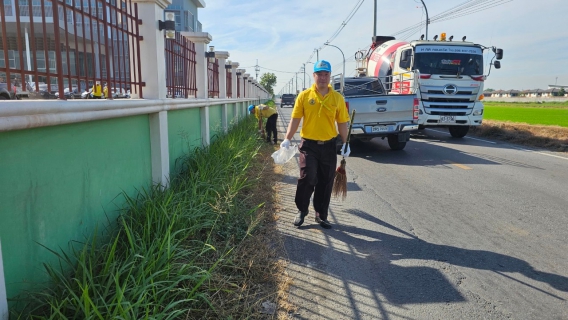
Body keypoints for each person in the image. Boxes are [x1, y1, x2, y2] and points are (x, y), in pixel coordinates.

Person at [280, 60, 351, 229]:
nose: (323, 78)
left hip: (328, 146)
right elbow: (295, 119)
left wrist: (346, 142)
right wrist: (287, 138)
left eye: (326, 74)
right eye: (319, 74)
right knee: (308, 177)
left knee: (326, 181)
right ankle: (302, 210)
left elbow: (342, 123)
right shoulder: (304, 96)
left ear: (329, 76)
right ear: (314, 76)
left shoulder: (337, 98)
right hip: (308, 145)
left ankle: (321, 215)